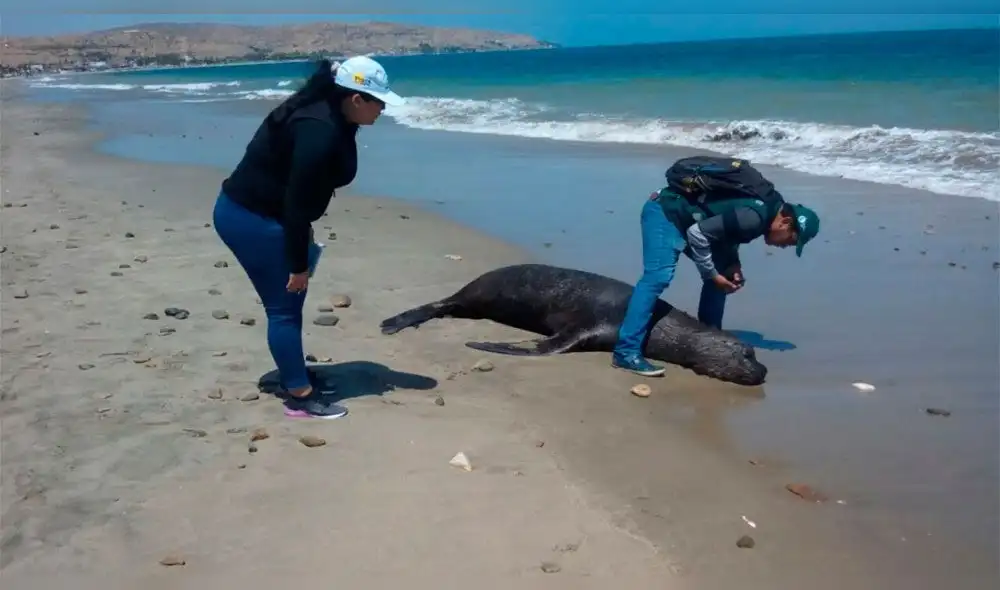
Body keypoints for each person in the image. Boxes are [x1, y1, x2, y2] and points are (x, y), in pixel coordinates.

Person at [212, 55, 405, 418]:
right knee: (284, 307)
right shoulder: (318, 129)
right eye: (379, 102)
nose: (383, 109)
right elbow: (296, 204)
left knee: (289, 305)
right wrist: (298, 264)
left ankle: (292, 374)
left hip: (268, 215)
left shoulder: (335, 112)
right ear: (356, 99)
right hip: (251, 220)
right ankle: (299, 394)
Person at [612, 156, 820, 377]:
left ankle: (710, 340)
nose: (786, 246)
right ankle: (626, 352)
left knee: (723, 278)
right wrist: (711, 274)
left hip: (692, 220)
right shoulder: (756, 218)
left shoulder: (768, 209)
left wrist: (731, 264)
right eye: (791, 240)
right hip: (666, 213)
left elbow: (728, 233)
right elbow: (697, 235)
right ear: (785, 222)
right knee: (657, 278)